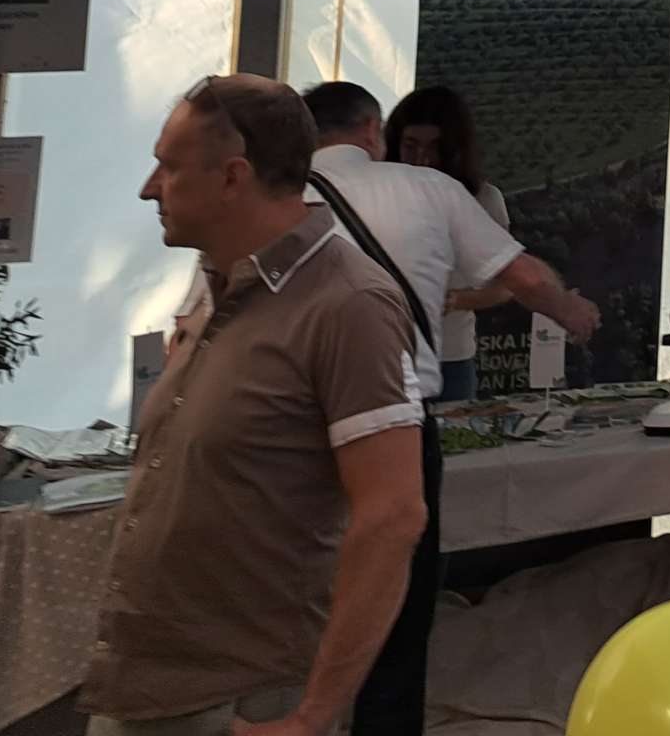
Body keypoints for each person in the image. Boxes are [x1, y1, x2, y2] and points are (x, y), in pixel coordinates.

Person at [80, 76, 428, 736]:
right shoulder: (221, 285)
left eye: (170, 167)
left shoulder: (348, 303)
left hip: (243, 701)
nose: (149, 188)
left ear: (233, 178)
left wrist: (312, 717)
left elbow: (393, 517)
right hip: (146, 688)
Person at [304, 81, 601, 736]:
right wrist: (573, 310)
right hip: (394, 424)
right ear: (373, 131)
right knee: (395, 600)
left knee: (299, 587)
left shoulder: (268, 198)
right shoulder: (429, 191)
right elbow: (525, 278)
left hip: (293, 427)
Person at [384, 84, 511, 403]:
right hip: (381, 355)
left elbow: (506, 286)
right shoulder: (375, 194)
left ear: (455, 149)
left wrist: (454, 300)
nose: (421, 159)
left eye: (434, 148)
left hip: (449, 360)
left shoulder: (483, 200)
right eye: (410, 146)